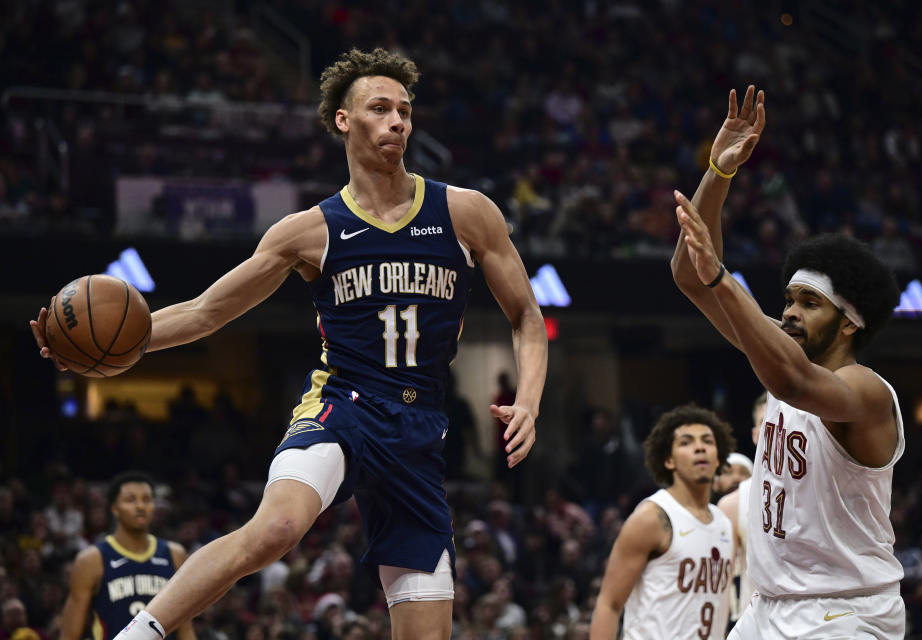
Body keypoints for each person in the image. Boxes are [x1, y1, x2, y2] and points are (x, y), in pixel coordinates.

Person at [32, 48, 546, 640]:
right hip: (343, 407)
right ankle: (138, 634)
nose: (398, 121)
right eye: (380, 108)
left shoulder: (465, 212)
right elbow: (205, 312)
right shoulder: (311, 230)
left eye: (405, 110)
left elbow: (527, 317)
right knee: (277, 529)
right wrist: (120, 355)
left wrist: (529, 399)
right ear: (344, 121)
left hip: (420, 431)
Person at [671, 86, 905, 638]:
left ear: (849, 322)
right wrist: (718, 174)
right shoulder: (782, 348)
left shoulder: (866, 391)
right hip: (769, 605)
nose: (790, 314)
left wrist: (720, 277)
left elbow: (794, 381)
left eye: (809, 304)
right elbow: (688, 275)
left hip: (847, 612)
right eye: (789, 300)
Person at [590, 404, 737, 640]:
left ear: (718, 455)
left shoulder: (724, 523)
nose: (700, 447)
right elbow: (609, 604)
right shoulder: (653, 517)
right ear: (668, 460)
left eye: (708, 441)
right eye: (686, 442)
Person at [59, 472, 196, 640]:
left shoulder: (175, 554)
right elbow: (70, 635)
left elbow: (185, 628)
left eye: (147, 500)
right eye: (131, 500)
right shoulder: (91, 560)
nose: (140, 506)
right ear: (114, 508)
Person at [716, 393, 765, 625]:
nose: (779, 429)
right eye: (768, 423)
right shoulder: (732, 504)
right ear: (755, 434)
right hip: (755, 622)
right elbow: (722, 581)